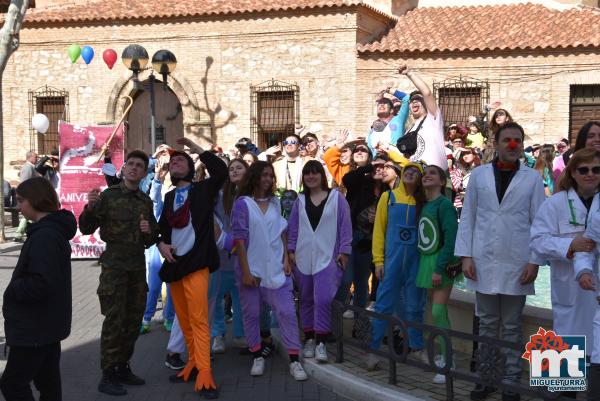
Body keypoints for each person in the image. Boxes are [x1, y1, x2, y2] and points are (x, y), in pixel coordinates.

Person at [455, 122, 546, 401]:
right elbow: (468, 217)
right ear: (496, 143)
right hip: (483, 258)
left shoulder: (532, 178)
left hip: (516, 261)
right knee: (486, 321)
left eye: (517, 140)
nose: (512, 145)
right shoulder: (479, 175)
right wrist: (466, 256)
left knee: (511, 324)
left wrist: (534, 261)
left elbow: (538, 222)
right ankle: (486, 377)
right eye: (507, 139)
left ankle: (510, 379)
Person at [79, 150, 159, 396]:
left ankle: (123, 366)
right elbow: (85, 227)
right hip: (114, 268)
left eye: (139, 166)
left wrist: (148, 230)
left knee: (133, 321)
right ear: (123, 169)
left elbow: (151, 238)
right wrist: (90, 208)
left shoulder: (145, 201)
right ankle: (108, 374)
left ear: (145, 173)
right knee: (114, 321)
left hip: (136, 267)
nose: (134, 168)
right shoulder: (109, 196)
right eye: (130, 164)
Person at [157, 138, 227, 399]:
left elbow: (220, 171)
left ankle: (206, 372)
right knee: (184, 320)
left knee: (199, 320)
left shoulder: (203, 189)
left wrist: (198, 150)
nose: (175, 163)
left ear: (189, 167)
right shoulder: (169, 196)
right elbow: (162, 228)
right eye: (172, 161)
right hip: (175, 265)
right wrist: (161, 243)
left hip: (198, 262)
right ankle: (193, 363)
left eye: (180, 160)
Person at [0, 178, 76, 401]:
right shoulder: (48, 231)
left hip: (36, 327)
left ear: (36, 200)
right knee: (48, 382)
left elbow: (42, 282)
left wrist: (14, 289)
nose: (18, 206)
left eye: (22, 201)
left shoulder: (45, 236)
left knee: (13, 384)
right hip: (45, 325)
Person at [231, 161, 308, 381]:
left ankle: (294, 361)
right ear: (254, 176)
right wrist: (245, 272)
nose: (267, 179)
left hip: (276, 268)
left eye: (269, 175)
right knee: (252, 314)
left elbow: (282, 231)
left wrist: (286, 257)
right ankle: (257, 354)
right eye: (263, 174)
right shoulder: (242, 204)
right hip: (252, 270)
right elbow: (239, 240)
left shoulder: (275, 202)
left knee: (286, 312)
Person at [530, 148, 600, 365]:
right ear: (572, 173)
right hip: (569, 288)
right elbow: (537, 241)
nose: (590, 174)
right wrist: (570, 244)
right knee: (565, 353)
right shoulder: (555, 203)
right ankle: (561, 392)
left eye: (596, 169)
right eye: (583, 169)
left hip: (596, 287)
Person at [287, 160, 352, 363]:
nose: (311, 177)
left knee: (323, 299)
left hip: (328, 257)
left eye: (315, 173)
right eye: (307, 173)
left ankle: (321, 341)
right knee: (306, 299)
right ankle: (309, 339)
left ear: (321, 176)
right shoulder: (299, 200)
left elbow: (345, 225)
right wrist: (290, 250)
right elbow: (293, 227)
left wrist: (344, 251)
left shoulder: (336, 198)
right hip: (303, 256)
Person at [368, 161, 426, 370]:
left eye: (415, 171)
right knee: (383, 304)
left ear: (420, 179)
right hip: (391, 262)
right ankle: (373, 351)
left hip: (415, 263)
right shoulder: (388, 197)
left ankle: (417, 348)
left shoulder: (424, 202)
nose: (410, 173)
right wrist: (378, 261)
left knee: (414, 306)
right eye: (407, 170)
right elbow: (379, 232)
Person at [416, 165, 461, 384]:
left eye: (433, 173)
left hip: (440, 262)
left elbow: (451, 239)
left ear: (442, 182)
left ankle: (448, 359)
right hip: (427, 260)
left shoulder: (445, 205)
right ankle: (443, 354)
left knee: (438, 310)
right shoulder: (427, 204)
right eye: (425, 173)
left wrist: (439, 268)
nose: (427, 176)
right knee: (434, 312)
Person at [335, 144, 384, 313]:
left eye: (364, 150)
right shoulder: (359, 179)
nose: (359, 152)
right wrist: (370, 165)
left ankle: (359, 325)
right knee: (345, 279)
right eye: (357, 150)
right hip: (351, 235)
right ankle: (334, 322)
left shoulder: (387, 187)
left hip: (371, 240)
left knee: (362, 283)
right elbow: (347, 180)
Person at [209, 158, 249, 354]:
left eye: (238, 168)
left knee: (241, 297)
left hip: (244, 258)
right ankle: (218, 333)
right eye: (231, 168)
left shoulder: (253, 195)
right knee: (215, 297)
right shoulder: (218, 195)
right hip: (221, 256)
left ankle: (240, 334)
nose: (234, 171)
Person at [141, 148, 175, 334]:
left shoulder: (180, 188)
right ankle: (146, 318)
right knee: (153, 286)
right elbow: (154, 203)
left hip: (173, 243)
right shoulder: (157, 183)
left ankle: (169, 318)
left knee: (171, 287)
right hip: (156, 244)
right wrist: (157, 178)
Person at [388, 65, 447, 169]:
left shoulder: (433, 118)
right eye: (412, 101)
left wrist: (409, 73)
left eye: (419, 99)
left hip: (437, 176)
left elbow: (427, 93)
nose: (414, 101)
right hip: (418, 178)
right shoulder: (409, 131)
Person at [14, 150, 40, 242]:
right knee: (28, 215)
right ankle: (19, 234)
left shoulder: (31, 167)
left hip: (31, 195)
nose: (37, 158)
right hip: (29, 195)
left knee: (28, 215)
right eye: (35, 157)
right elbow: (25, 182)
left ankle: (19, 234)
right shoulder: (28, 167)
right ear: (30, 157)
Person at [450, 147, 481, 215]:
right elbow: (456, 186)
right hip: (462, 205)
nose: (465, 156)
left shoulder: (482, 169)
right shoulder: (458, 171)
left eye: (468, 153)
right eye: (463, 154)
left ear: (474, 154)